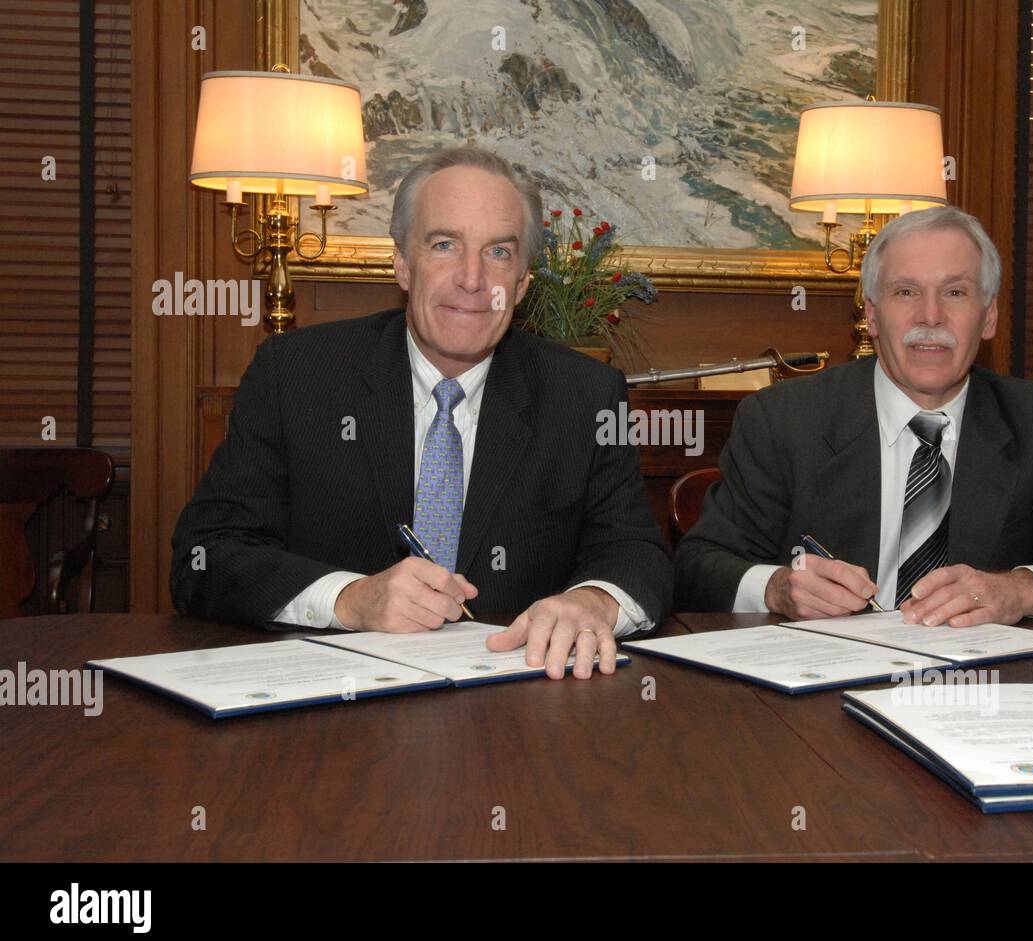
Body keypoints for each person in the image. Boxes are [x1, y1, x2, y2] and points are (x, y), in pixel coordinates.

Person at [172, 145, 672, 679]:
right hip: (335, 705)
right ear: (403, 265)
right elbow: (206, 556)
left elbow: (638, 554)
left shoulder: (584, 395)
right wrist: (351, 599)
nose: (473, 279)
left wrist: (592, 602)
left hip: (518, 698)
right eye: (444, 245)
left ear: (523, 285)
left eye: (499, 253)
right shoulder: (295, 375)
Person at [675, 205, 1033, 627]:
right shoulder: (785, 420)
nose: (930, 316)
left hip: (987, 698)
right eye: (906, 292)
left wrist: (1023, 591)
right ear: (871, 316)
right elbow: (698, 568)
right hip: (823, 698)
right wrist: (778, 589)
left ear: (987, 318)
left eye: (955, 292)